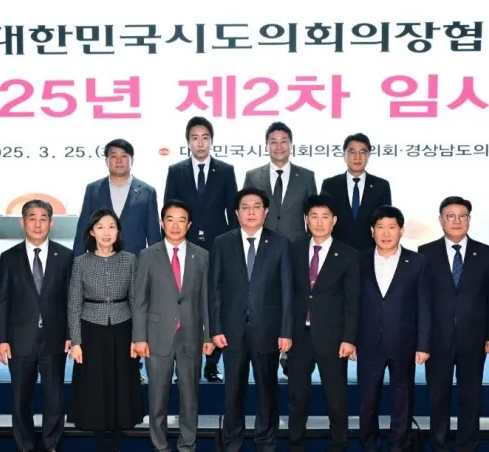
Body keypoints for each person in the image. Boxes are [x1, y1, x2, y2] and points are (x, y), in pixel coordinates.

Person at [209, 187, 293, 452]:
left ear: (266, 212)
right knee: (233, 394)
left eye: (257, 206)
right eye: (245, 207)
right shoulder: (222, 243)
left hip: (267, 330)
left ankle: (267, 451)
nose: (251, 212)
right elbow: (214, 289)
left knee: (267, 394)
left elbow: (287, 291)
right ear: (236, 213)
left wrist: (286, 330)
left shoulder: (280, 244)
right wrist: (215, 328)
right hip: (231, 332)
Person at [418, 196, 489, 452]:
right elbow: (422, 301)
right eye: (450, 216)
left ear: (469, 220)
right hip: (437, 340)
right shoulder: (425, 253)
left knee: (470, 398)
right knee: (438, 398)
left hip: (473, 339)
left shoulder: (486, 253)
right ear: (441, 220)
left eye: (462, 216)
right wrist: (422, 339)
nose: (456, 221)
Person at [132, 199, 215, 452]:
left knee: (190, 397)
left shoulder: (202, 255)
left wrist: (208, 336)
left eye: (181, 220)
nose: (175, 225)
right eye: (170, 219)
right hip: (157, 336)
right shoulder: (147, 255)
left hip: (191, 335)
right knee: (157, 398)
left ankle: (187, 449)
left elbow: (206, 300)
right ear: (162, 223)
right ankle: (160, 450)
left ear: (189, 225)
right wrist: (139, 337)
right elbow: (140, 301)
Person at [72, 138, 159, 384]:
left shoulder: (147, 191)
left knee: (134, 313)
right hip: (99, 262)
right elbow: (83, 227)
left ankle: (134, 366)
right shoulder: (93, 189)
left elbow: (153, 233)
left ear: (132, 159)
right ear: (106, 160)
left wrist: (156, 266)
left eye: (124, 156)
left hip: (135, 266)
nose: (119, 160)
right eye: (113, 155)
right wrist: (77, 262)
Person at [283, 194, 359, 452]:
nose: (319, 222)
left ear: (334, 220)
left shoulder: (348, 254)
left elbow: (352, 301)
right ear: (306, 219)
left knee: (336, 399)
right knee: (297, 397)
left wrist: (349, 338)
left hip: (333, 338)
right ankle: (295, 450)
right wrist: (284, 332)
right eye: (313, 216)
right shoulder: (293, 249)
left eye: (325, 216)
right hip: (298, 337)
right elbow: (285, 294)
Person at [0, 199, 73, 452]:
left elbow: (70, 300)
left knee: (54, 397)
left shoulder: (65, 256)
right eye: (32, 218)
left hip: (55, 338)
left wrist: (71, 334)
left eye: (43, 218)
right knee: (20, 398)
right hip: (19, 339)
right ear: (22, 222)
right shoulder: (9, 257)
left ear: (51, 222)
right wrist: (2, 339)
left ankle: (52, 446)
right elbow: (3, 302)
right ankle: (24, 447)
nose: (37, 224)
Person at [68, 208, 144, 452]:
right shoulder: (80, 262)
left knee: (120, 391)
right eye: (100, 227)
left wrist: (137, 337)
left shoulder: (130, 260)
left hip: (123, 330)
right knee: (95, 392)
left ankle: (116, 450)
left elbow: (136, 302)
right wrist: (76, 341)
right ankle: (101, 450)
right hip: (91, 331)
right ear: (92, 232)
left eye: (112, 226)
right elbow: (73, 305)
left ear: (118, 231)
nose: (106, 232)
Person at [356, 206, 431, 452]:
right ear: (372, 231)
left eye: (391, 227)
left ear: (401, 230)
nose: (386, 233)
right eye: (380, 227)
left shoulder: (418, 262)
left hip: (404, 342)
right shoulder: (359, 260)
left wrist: (423, 344)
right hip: (367, 343)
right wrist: (350, 340)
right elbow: (351, 304)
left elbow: (425, 306)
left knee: (402, 400)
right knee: (368, 401)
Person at [164, 116, 238, 382]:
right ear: (188, 142)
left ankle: (212, 364)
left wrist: (233, 246)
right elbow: (169, 209)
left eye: (205, 138)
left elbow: (233, 212)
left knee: (216, 302)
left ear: (211, 141)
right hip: (186, 246)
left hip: (219, 246)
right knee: (185, 301)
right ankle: (183, 360)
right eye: (195, 138)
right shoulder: (176, 171)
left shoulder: (226, 171)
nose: (200, 143)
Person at [243, 122, 318, 377]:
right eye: (273, 141)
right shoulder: (253, 176)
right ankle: (265, 353)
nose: (279, 146)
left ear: (291, 144)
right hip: (262, 250)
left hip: (295, 252)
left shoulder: (306, 176)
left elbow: (312, 216)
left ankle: (290, 355)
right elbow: (246, 211)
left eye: (283, 141)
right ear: (266, 146)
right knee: (265, 301)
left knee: (292, 301)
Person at [320, 133, 392, 251]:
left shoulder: (381, 186)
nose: (357, 157)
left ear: (368, 155)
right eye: (352, 152)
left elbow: (386, 222)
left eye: (362, 152)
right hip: (337, 252)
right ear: (344, 155)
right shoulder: (330, 185)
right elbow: (324, 219)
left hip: (370, 252)